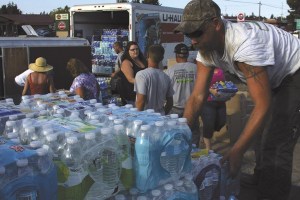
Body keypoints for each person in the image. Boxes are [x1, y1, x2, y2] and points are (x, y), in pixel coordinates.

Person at [174, 0, 300, 199]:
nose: (192, 41)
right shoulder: (206, 50)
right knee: (260, 131)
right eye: (188, 34)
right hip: (275, 75)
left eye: (197, 33)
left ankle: (274, 192)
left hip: (294, 72)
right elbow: (198, 97)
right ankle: (262, 177)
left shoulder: (244, 44)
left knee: (277, 138)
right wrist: (179, 135)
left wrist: (237, 151)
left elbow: (262, 104)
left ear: (215, 24)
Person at [165, 43, 201, 145]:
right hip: (192, 107)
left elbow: (166, 90)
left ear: (176, 56)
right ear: (187, 55)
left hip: (175, 107)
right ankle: (193, 152)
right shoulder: (196, 68)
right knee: (193, 132)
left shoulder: (170, 70)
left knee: (173, 133)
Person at [134, 44, 174, 115]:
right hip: (160, 117)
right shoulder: (166, 77)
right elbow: (170, 102)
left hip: (145, 119)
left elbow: (141, 101)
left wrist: (138, 118)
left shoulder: (141, 75)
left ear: (147, 55)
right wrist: (163, 113)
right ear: (162, 58)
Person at [200, 67, 227, 150]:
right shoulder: (204, 70)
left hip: (220, 100)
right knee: (208, 125)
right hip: (207, 102)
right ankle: (208, 149)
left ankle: (207, 135)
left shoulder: (221, 70)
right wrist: (210, 90)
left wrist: (225, 89)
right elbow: (200, 85)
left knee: (222, 121)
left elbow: (223, 83)